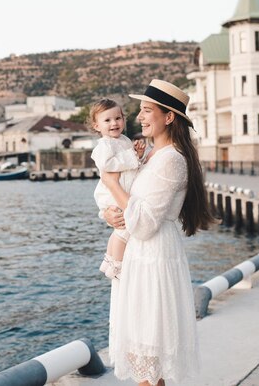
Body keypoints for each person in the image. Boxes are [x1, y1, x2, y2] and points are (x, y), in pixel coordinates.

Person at [101, 79, 216, 386]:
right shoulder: (151, 154)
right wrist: (111, 212)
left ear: (168, 117)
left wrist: (110, 181)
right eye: (140, 109)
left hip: (154, 257)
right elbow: (133, 206)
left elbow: (145, 221)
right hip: (143, 256)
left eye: (147, 110)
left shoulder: (172, 160)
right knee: (145, 355)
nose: (139, 117)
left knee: (149, 354)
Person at [88, 98, 145, 279]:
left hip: (122, 188)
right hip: (111, 193)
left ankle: (109, 259)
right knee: (123, 229)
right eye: (107, 120)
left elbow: (132, 164)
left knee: (119, 230)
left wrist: (138, 154)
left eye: (118, 118)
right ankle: (117, 265)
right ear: (97, 126)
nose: (114, 123)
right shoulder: (103, 145)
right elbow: (108, 164)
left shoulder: (124, 140)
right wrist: (131, 156)